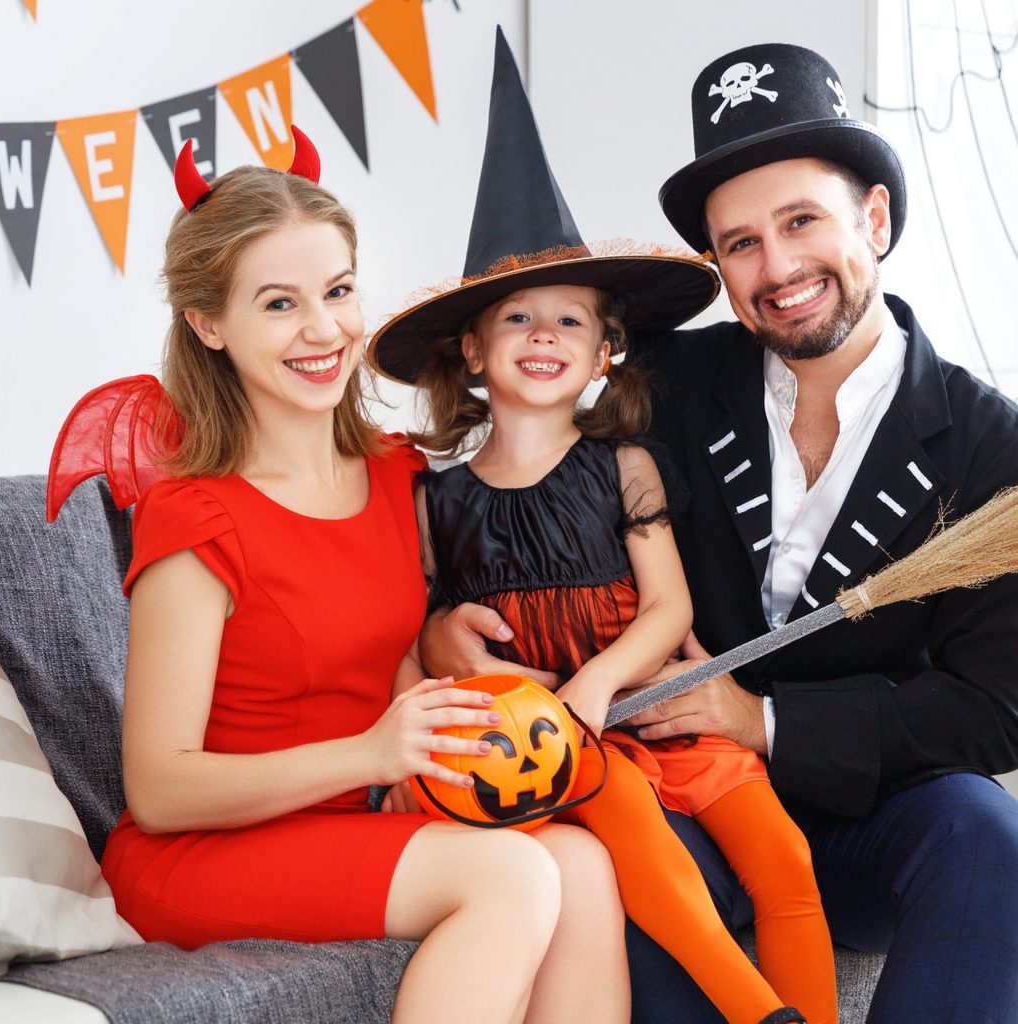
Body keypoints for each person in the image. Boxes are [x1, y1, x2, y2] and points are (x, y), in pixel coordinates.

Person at [421, 42, 1018, 1024]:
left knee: (987, 837)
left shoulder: (990, 447)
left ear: (872, 216)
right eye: (738, 242)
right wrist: (450, 636)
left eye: (800, 221)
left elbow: (994, 708)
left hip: (870, 816)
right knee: (607, 876)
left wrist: (764, 722)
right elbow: (538, 492)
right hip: (677, 801)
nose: (776, 268)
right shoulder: (665, 385)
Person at [49, 129, 631, 1024]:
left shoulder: (398, 474)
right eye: (279, 304)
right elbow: (159, 791)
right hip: (203, 849)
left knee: (584, 866)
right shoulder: (196, 517)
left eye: (338, 290)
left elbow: (387, 654)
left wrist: (441, 670)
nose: (324, 331)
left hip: (350, 815)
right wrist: (370, 754)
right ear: (210, 325)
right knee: (510, 874)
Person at [372, 31, 835, 1024]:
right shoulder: (435, 495)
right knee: (636, 837)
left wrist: (597, 678)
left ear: (604, 354)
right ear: (473, 349)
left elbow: (666, 604)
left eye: (570, 320)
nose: (544, 336)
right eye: (517, 320)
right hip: (559, 740)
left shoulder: (623, 467)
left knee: (783, 857)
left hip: (646, 701)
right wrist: (438, 640)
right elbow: (420, 623)